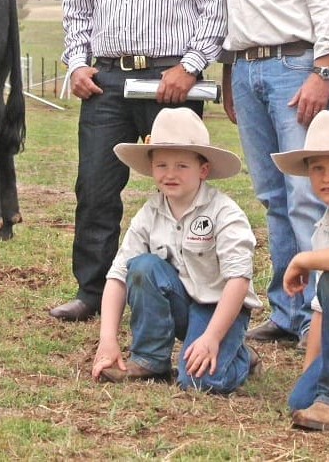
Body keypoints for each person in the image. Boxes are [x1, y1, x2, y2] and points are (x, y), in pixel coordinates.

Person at [51, 0, 226, 322]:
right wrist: (77, 62)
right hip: (106, 80)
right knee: (96, 187)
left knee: (180, 187)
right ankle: (92, 292)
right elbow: (78, 11)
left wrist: (190, 66)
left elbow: (214, 10)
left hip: (170, 78)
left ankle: (185, 292)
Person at [214, 0, 329, 347]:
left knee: (306, 193)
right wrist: (229, 68)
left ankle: (316, 315)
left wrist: (323, 70)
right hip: (247, 67)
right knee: (270, 195)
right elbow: (233, 2)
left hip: (295, 66)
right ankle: (287, 311)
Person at [91, 107, 262, 393]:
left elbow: (239, 281)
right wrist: (107, 339)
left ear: (203, 170)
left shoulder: (226, 213)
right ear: (151, 168)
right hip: (180, 300)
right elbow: (118, 276)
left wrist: (211, 338)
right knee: (142, 267)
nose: (170, 174)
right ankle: (150, 359)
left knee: (199, 382)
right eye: (161, 165)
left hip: (220, 308)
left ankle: (242, 357)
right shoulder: (150, 212)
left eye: (182, 166)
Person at [272, 110, 329, 430]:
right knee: (300, 400)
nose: (325, 177)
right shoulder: (323, 227)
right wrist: (312, 376)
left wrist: (301, 260)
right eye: (317, 168)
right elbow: (322, 309)